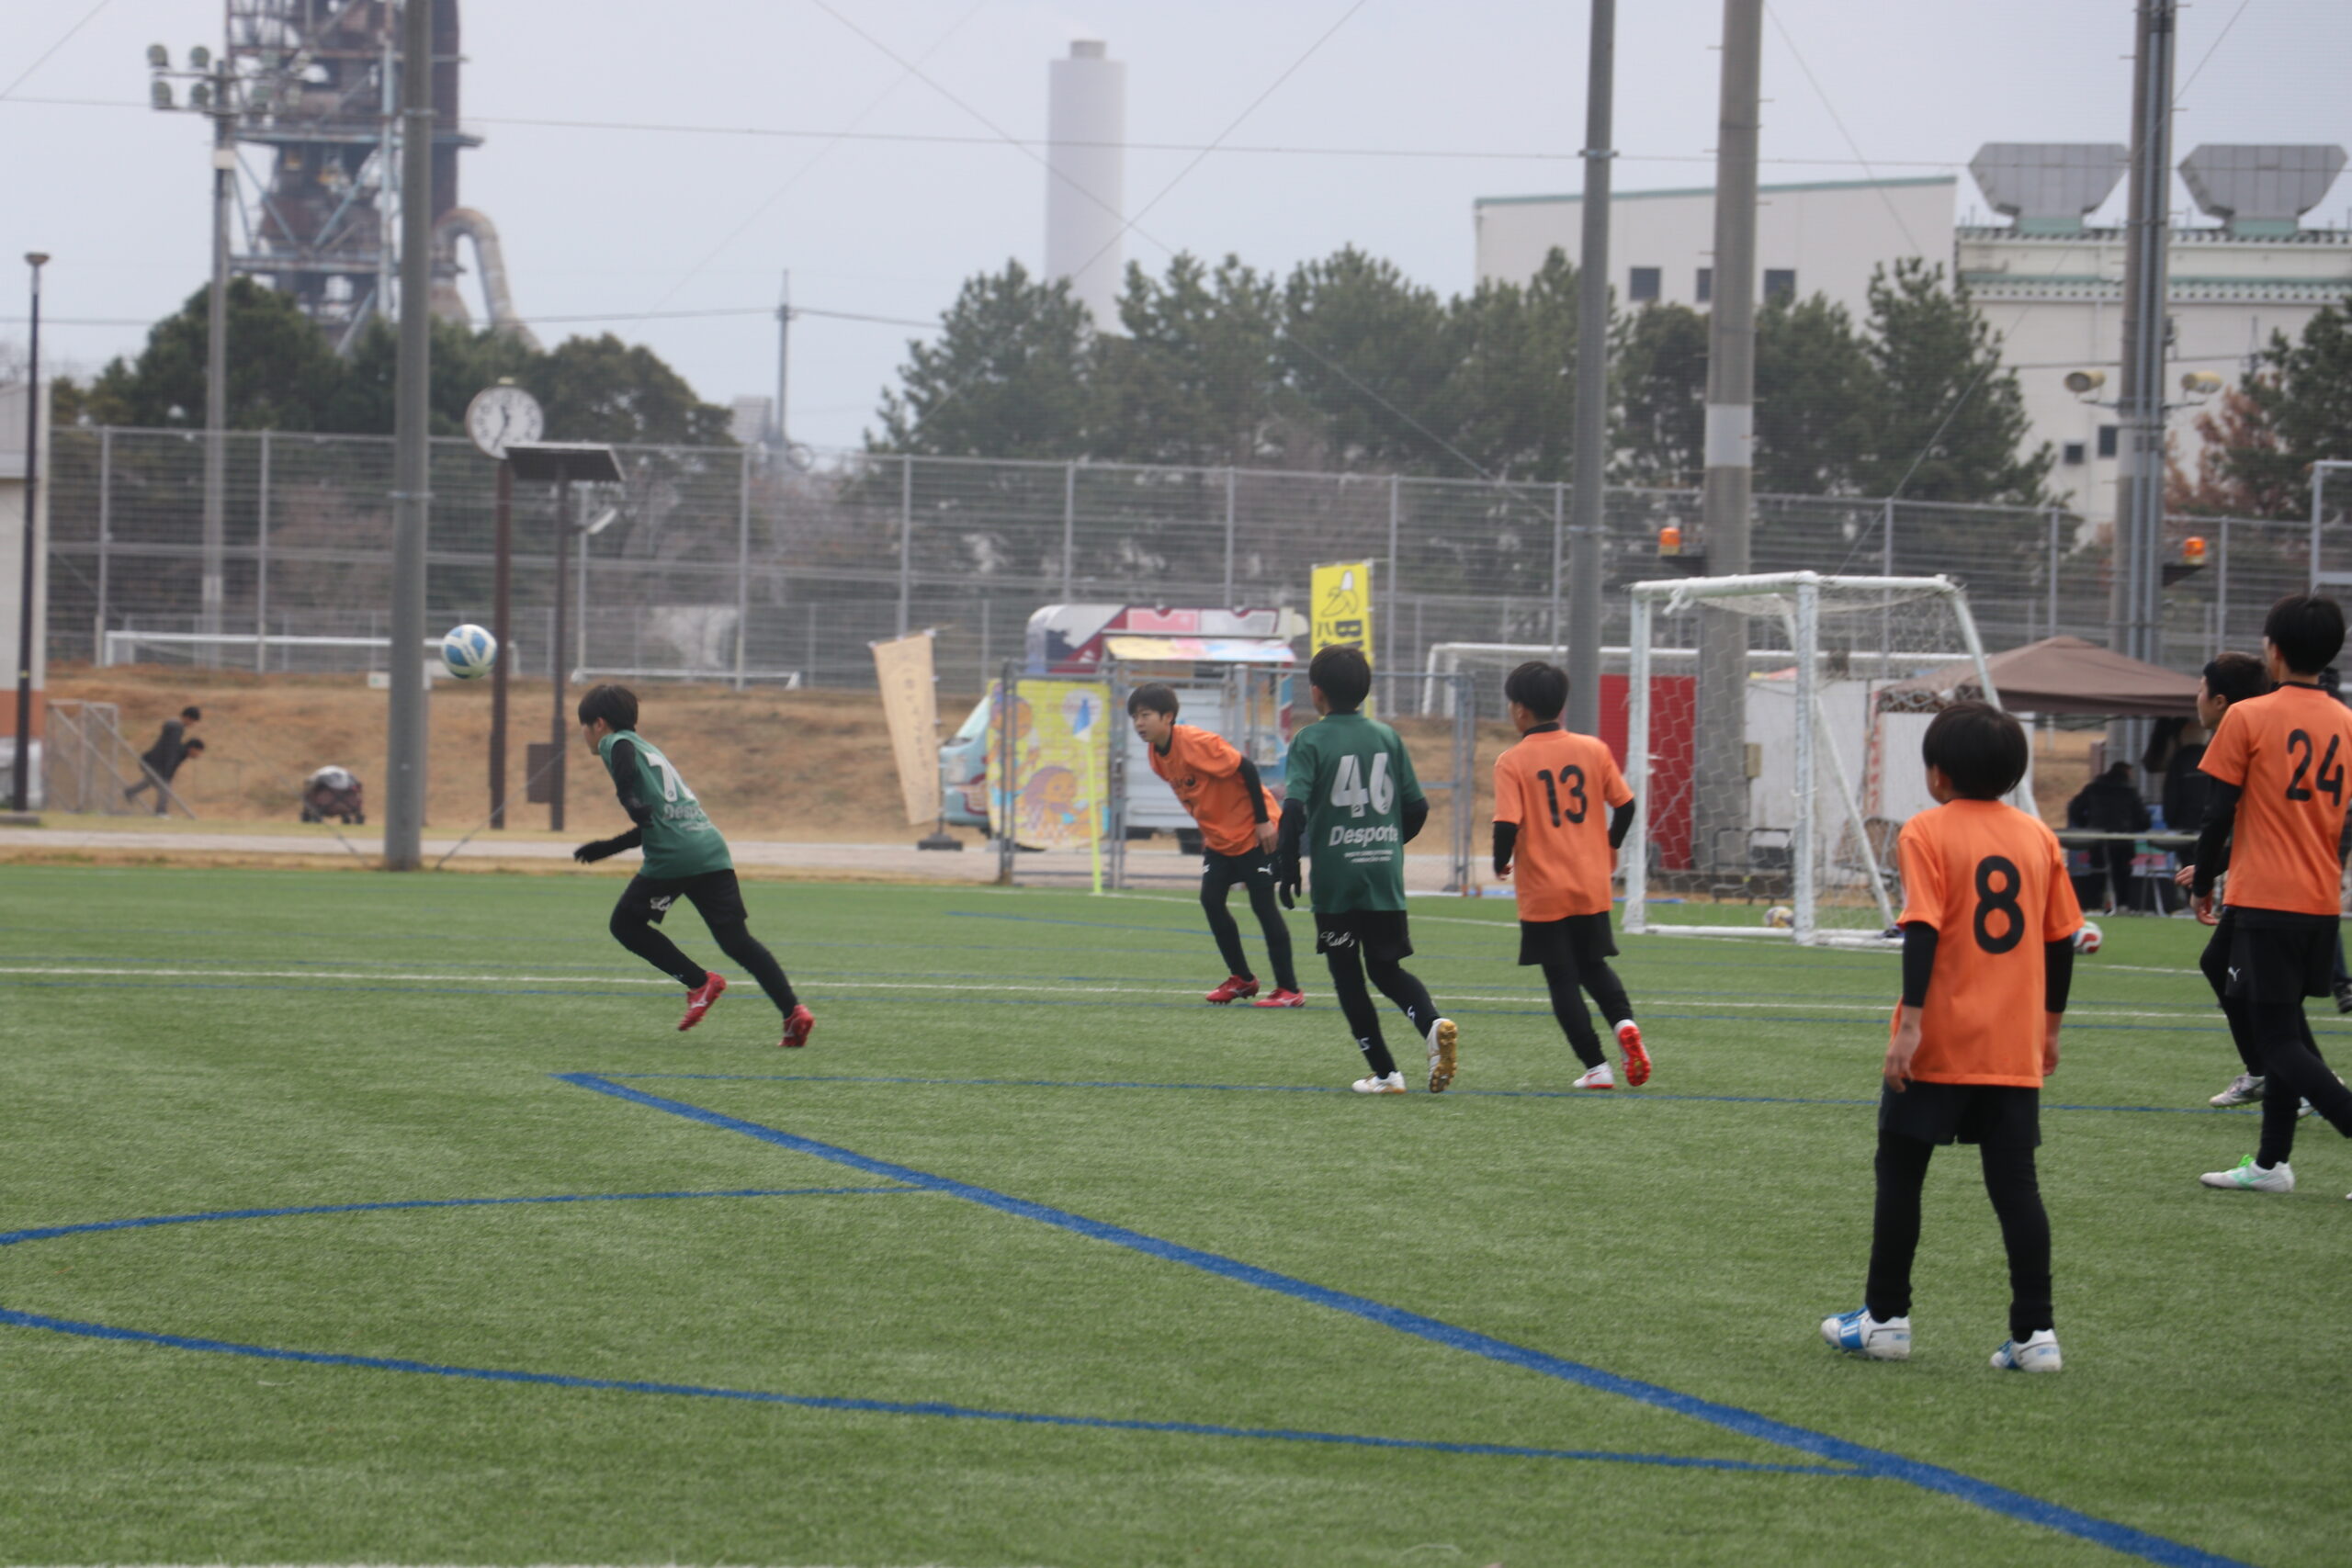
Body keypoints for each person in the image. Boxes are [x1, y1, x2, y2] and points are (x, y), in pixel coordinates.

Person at [1821, 702, 2081, 1372]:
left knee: (1900, 1174)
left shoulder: (1925, 831)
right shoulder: (2039, 837)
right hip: (2012, 1044)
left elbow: (1924, 929)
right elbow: (2061, 941)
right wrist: (2050, 1029)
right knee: (2017, 1188)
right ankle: (2036, 1334)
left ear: (1937, 773)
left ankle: (1885, 1319)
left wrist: (1909, 1026)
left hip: (1940, 1039)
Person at [2186, 595, 2352, 1197]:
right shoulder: (2346, 720)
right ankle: (2271, 1163)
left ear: (2274, 650)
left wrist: (2202, 884)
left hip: (2266, 900)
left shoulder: (2249, 717)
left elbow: (2218, 814)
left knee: (2278, 1040)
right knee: (2284, 1023)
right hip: (2320, 901)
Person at [570, 683, 814, 1049]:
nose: (584, 734)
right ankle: (792, 1012)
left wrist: (628, 799)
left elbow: (624, 769)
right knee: (737, 941)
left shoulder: (616, 743)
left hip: (674, 857)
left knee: (625, 925)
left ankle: (700, 983)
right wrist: (608, 848)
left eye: (584, 726)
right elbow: (657, 821)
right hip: (710, 848)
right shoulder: (650, 750)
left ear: (599, 724)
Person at [1275, 645, 1458, 1095]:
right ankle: (1432, 1025)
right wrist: (1386, 845)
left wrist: (1288, 864)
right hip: (1382, 875)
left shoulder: (1309, 740)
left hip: (1337, 882)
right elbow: (1417, 807)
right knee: (1387, 968)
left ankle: (1386, 1074)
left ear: (1316, 692)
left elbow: (1293, 808)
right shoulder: (1387, 737)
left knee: (1347, 976)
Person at [1490, 660, 1650, 1090]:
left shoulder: (1512, 760)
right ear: (1560, 706)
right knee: (1593, 966)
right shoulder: (1593, 749)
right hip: (1590, 882)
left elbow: (1506, 823)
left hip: (1545, 890)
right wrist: (1610, 844)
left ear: (1520, 710)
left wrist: (1500, 861)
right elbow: (1627, 805)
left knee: (1561, 978)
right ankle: (1624, 1024)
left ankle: (1596, 1066)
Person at [1127, 683, 1304, 1007]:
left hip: (1254, 832)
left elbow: (1246, 768)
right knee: (1211, 900)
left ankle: (1289, 990)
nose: (1138, 723)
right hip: (1220, 840)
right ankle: (1243, 980)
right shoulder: (1156, 756)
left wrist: (1263, 821)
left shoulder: (1196, 742)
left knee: (1263, 907)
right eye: (1135, 717)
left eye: (1145, 715)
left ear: (1168, 717)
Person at [2172, 652, 2286, 1110]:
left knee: (2263, 990)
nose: (2196, 698)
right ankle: (2269, 1075)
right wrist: (2213, 868)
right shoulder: (2286, 729)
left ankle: (2294, 1079)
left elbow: (2218, 816)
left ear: (2220, 701)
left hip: (2266, 885)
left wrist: (2203, 882)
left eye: (2200, 689)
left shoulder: (2239, 730)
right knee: (2232, 970)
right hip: (2297, 882)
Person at [2064, 762, 2150, 913]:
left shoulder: (2093, 789)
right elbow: (2143, 819)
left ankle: (2094, 905)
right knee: (2122, 873)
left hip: (2098, 838)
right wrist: (2133, 829)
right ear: (2126, 773)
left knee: (2098, 871)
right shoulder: (2129, 792)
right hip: (2123, 840)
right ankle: (2122, 905)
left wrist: (2086, 825)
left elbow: (2074, 808)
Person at [124, 705, 201, 812]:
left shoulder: (174, 726)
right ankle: (161, 811)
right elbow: (170, 749)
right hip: (157, 763)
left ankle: (130, 792)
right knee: (165, 787)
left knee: (149, 782)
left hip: (153, 761)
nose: (192, 724)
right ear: (188, 717)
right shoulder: (177, 728)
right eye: (193, 721)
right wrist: (168, 768)